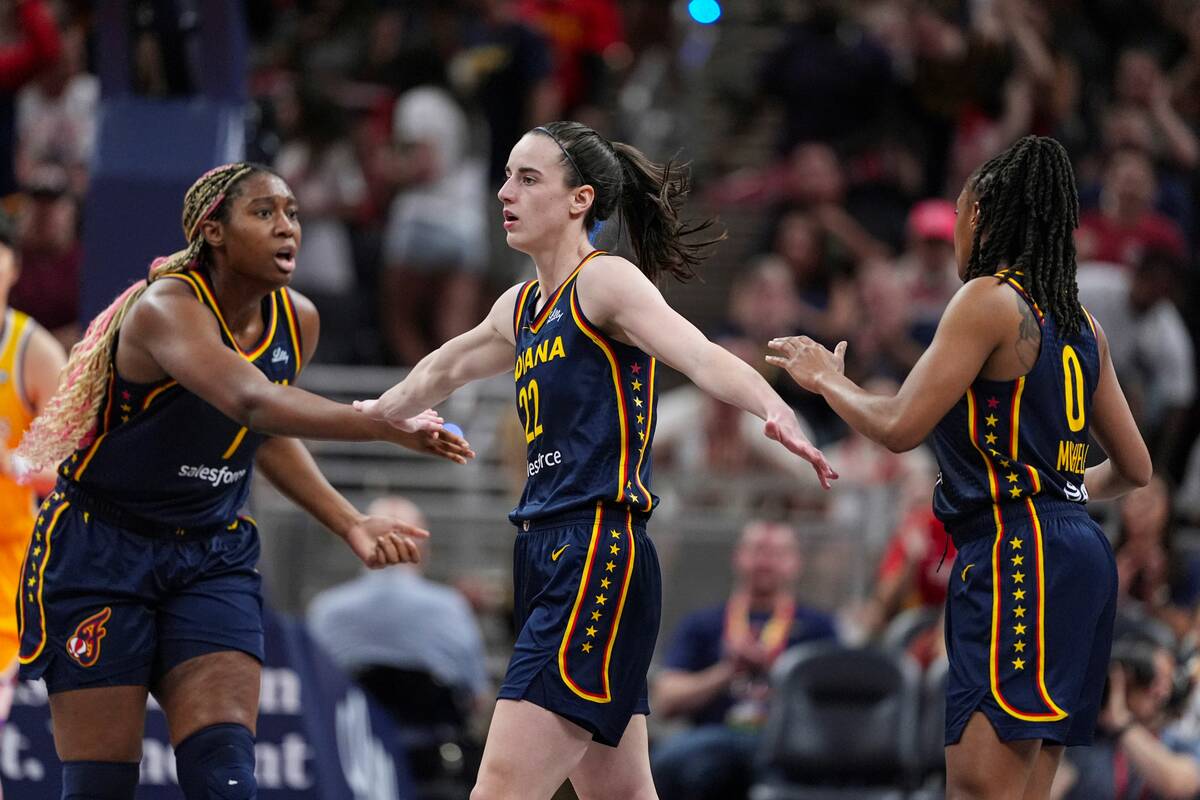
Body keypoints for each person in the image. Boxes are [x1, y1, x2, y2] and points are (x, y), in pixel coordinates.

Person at [356, 120, 837, 800]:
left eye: (527, 178)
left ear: (580, 199)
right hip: (546, 551)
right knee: (619, 793)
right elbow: (446, 364)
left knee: (498, 789)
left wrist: (772, 408)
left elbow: (697, 352)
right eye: (505, 176)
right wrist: (375, 411)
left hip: (595, 551)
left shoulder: (604, 282)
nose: (505, 192)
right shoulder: (519, 307)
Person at [11, 162, 473, 800]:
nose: (288, 227)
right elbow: (250, 403)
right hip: (102, 550)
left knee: (225, 776)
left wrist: (351, 521)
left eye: (292, 213)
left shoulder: (297, 320)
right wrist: (381, 420)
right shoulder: (165, 308)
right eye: (264, 213)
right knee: (98, 787)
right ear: (215, 231)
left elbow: (264, 434)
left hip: (211, 554)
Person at [767, 135, 1153, 800]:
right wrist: (1058, 495)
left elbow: (896, 426)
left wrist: (827, 380)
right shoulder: (1084, 324)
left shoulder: (987, 300)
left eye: (958, 213)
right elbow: (1136, 467)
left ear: (978, 217)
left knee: (977, 790)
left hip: (1014, 550)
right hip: (1079, 555)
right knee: (1027, 786)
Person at [650, 520, 837, 800]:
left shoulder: (819, 627)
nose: (766, 561)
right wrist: (728, 671)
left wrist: (776, 670)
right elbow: (666, 699)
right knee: (672, 762)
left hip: (789, 743)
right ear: (738, 556)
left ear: (796, 562)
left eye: (777, 553)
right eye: (758, 550)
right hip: (713, 740)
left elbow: (835, 705)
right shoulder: (703, 624)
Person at [0, 208, 65, 796]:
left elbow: (77, 469)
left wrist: (12, 463)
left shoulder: (33, 352)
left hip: (4, 570)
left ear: (14, 264)